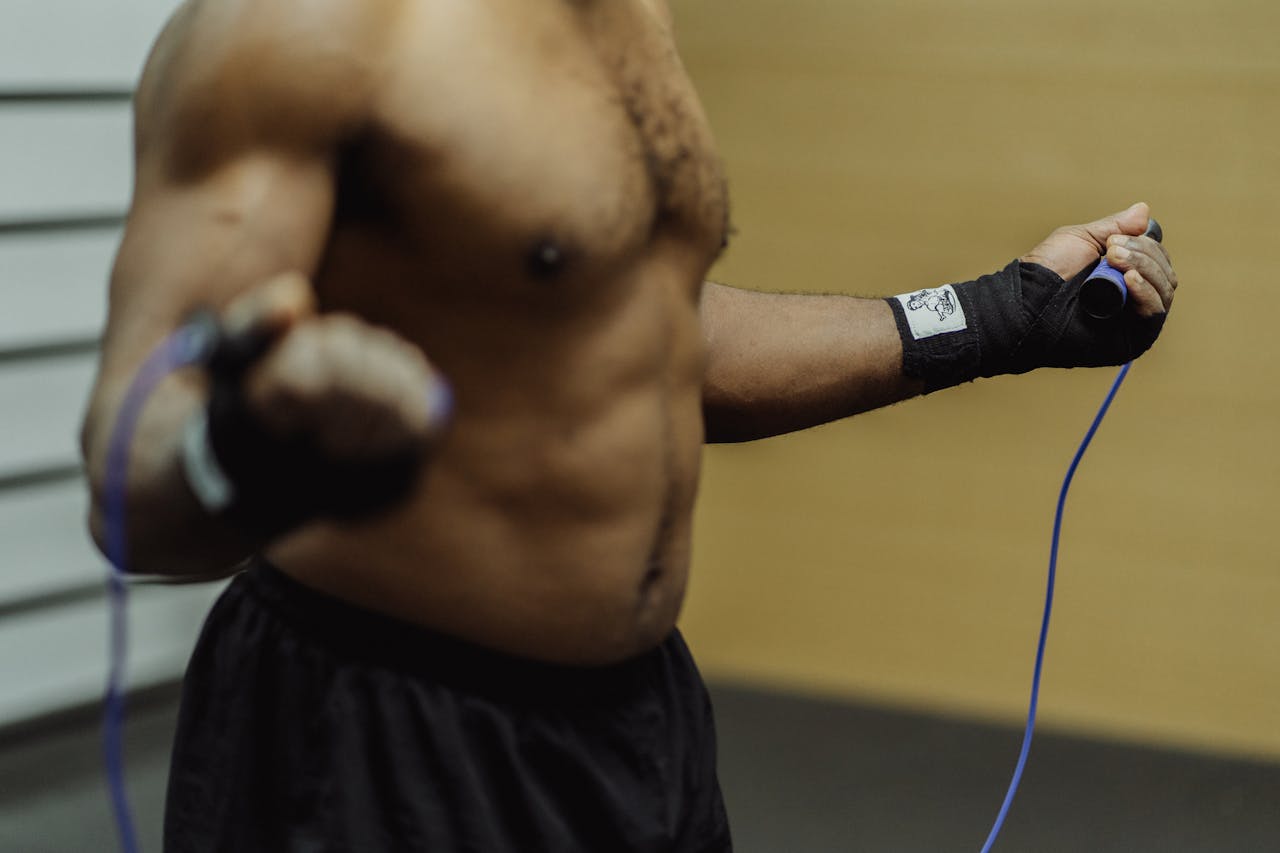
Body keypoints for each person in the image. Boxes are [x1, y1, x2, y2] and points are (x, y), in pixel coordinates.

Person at [78, 0, 1178, 850]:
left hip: (634, 725)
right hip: (382, 732)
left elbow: (645, 338)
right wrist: (252, 438)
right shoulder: (303, 31)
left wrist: (997, 314)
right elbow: (131, 476)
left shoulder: (625, 19)